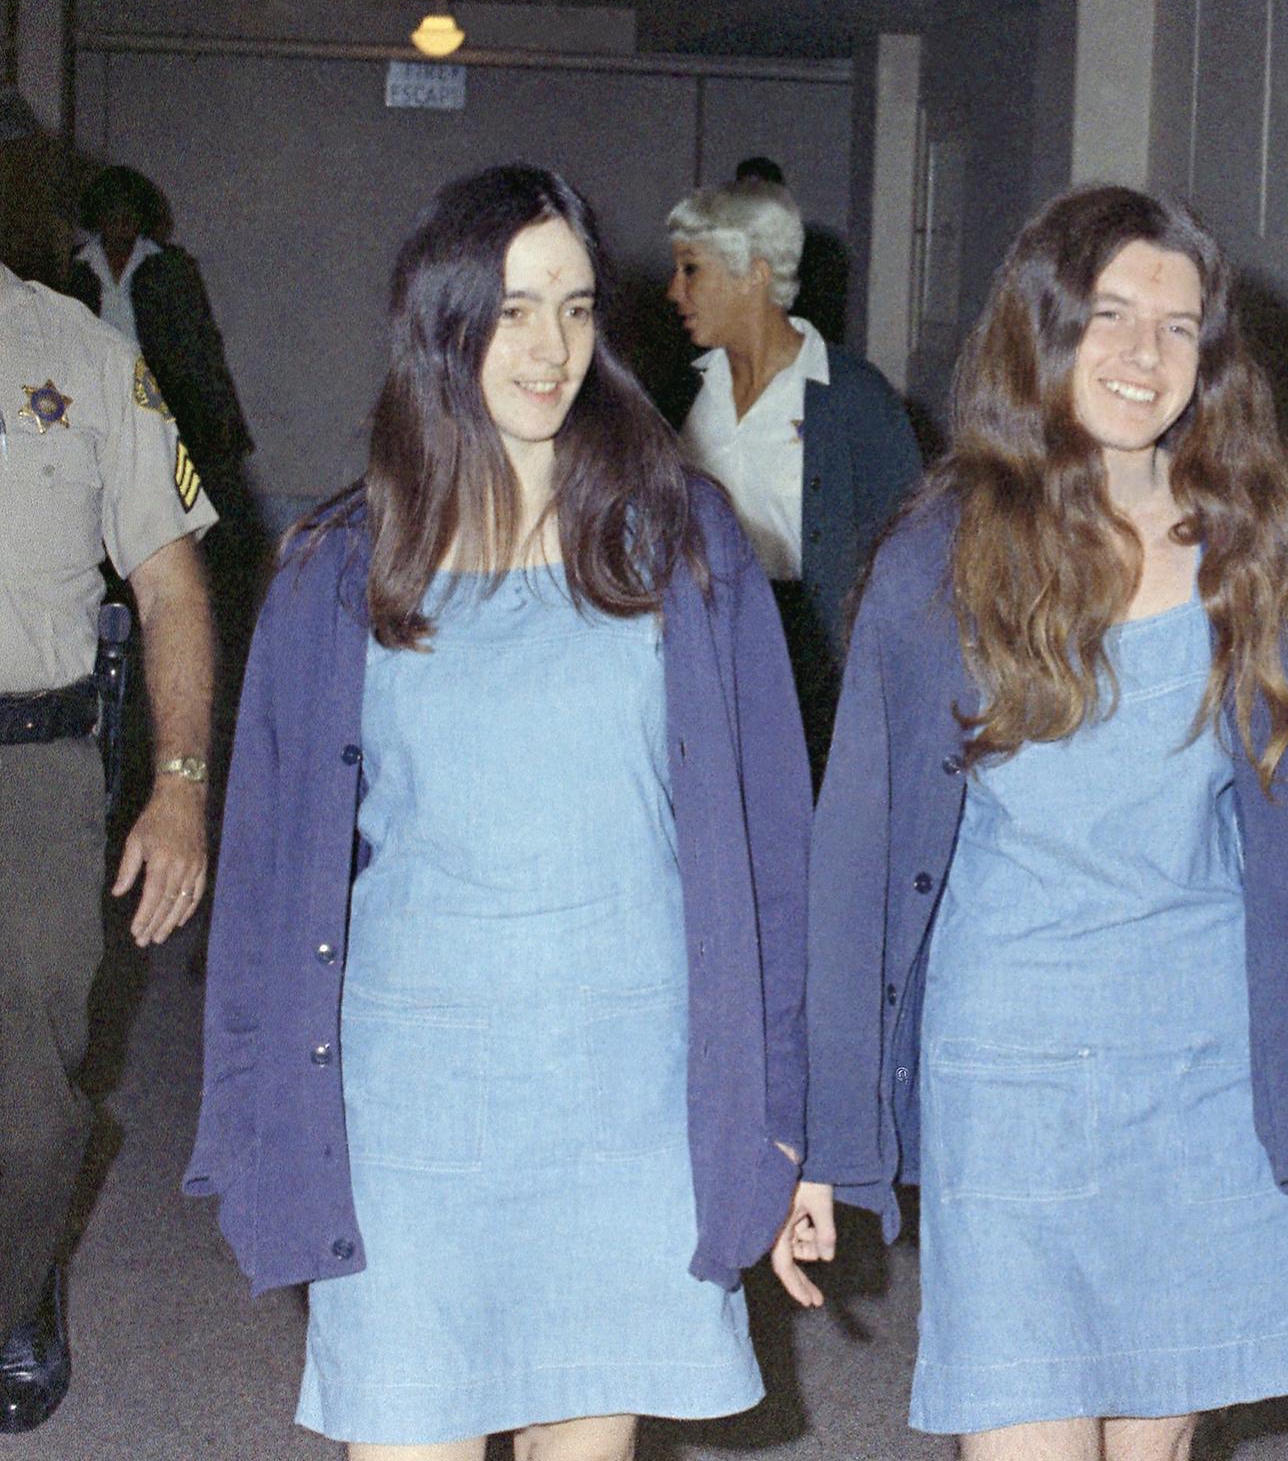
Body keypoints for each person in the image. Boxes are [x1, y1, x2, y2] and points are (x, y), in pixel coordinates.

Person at [788, 185, 1288, 1458]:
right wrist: (826, 1130)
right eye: (1110, 317)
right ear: (1042, 330)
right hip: (1010, 1070)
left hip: (1204, 1065)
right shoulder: (941, 556)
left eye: (1178, 327)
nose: (1144, 356)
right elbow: (852, 867)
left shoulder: (1257, 552)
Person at [184, 165, 815, 1460]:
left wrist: (792, 1118)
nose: (550, 349)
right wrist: (248, 1111)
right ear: (445, 320)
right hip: (415, 1100)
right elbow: (262, 880)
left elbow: (772, 862)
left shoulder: (684, 542)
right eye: (516, 309)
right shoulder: (340, 564)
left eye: (577, 309)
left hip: (627, 1090)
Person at [1, 100, 217, 1433]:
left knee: (28, 1110)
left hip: (30, 770)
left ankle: (18, 1284)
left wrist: (181, 783)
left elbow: (173, 586)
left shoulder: (78, 356)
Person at [665, 176, 920, 779]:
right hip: (707, 645)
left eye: (691, 270)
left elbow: (913, 557)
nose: (675, 291)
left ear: (753, 273)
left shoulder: (854, 397)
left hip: (812, 669)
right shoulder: (683, 390)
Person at [66, 164, 253, 497]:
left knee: (160, 496)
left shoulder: (170, 268)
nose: (122, 220)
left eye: (130, 211)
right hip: (94, 401)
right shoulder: (76, 268)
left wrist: (221, 421)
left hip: (161, 401)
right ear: (99, 216)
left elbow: (201, 346)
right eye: (113, 211)